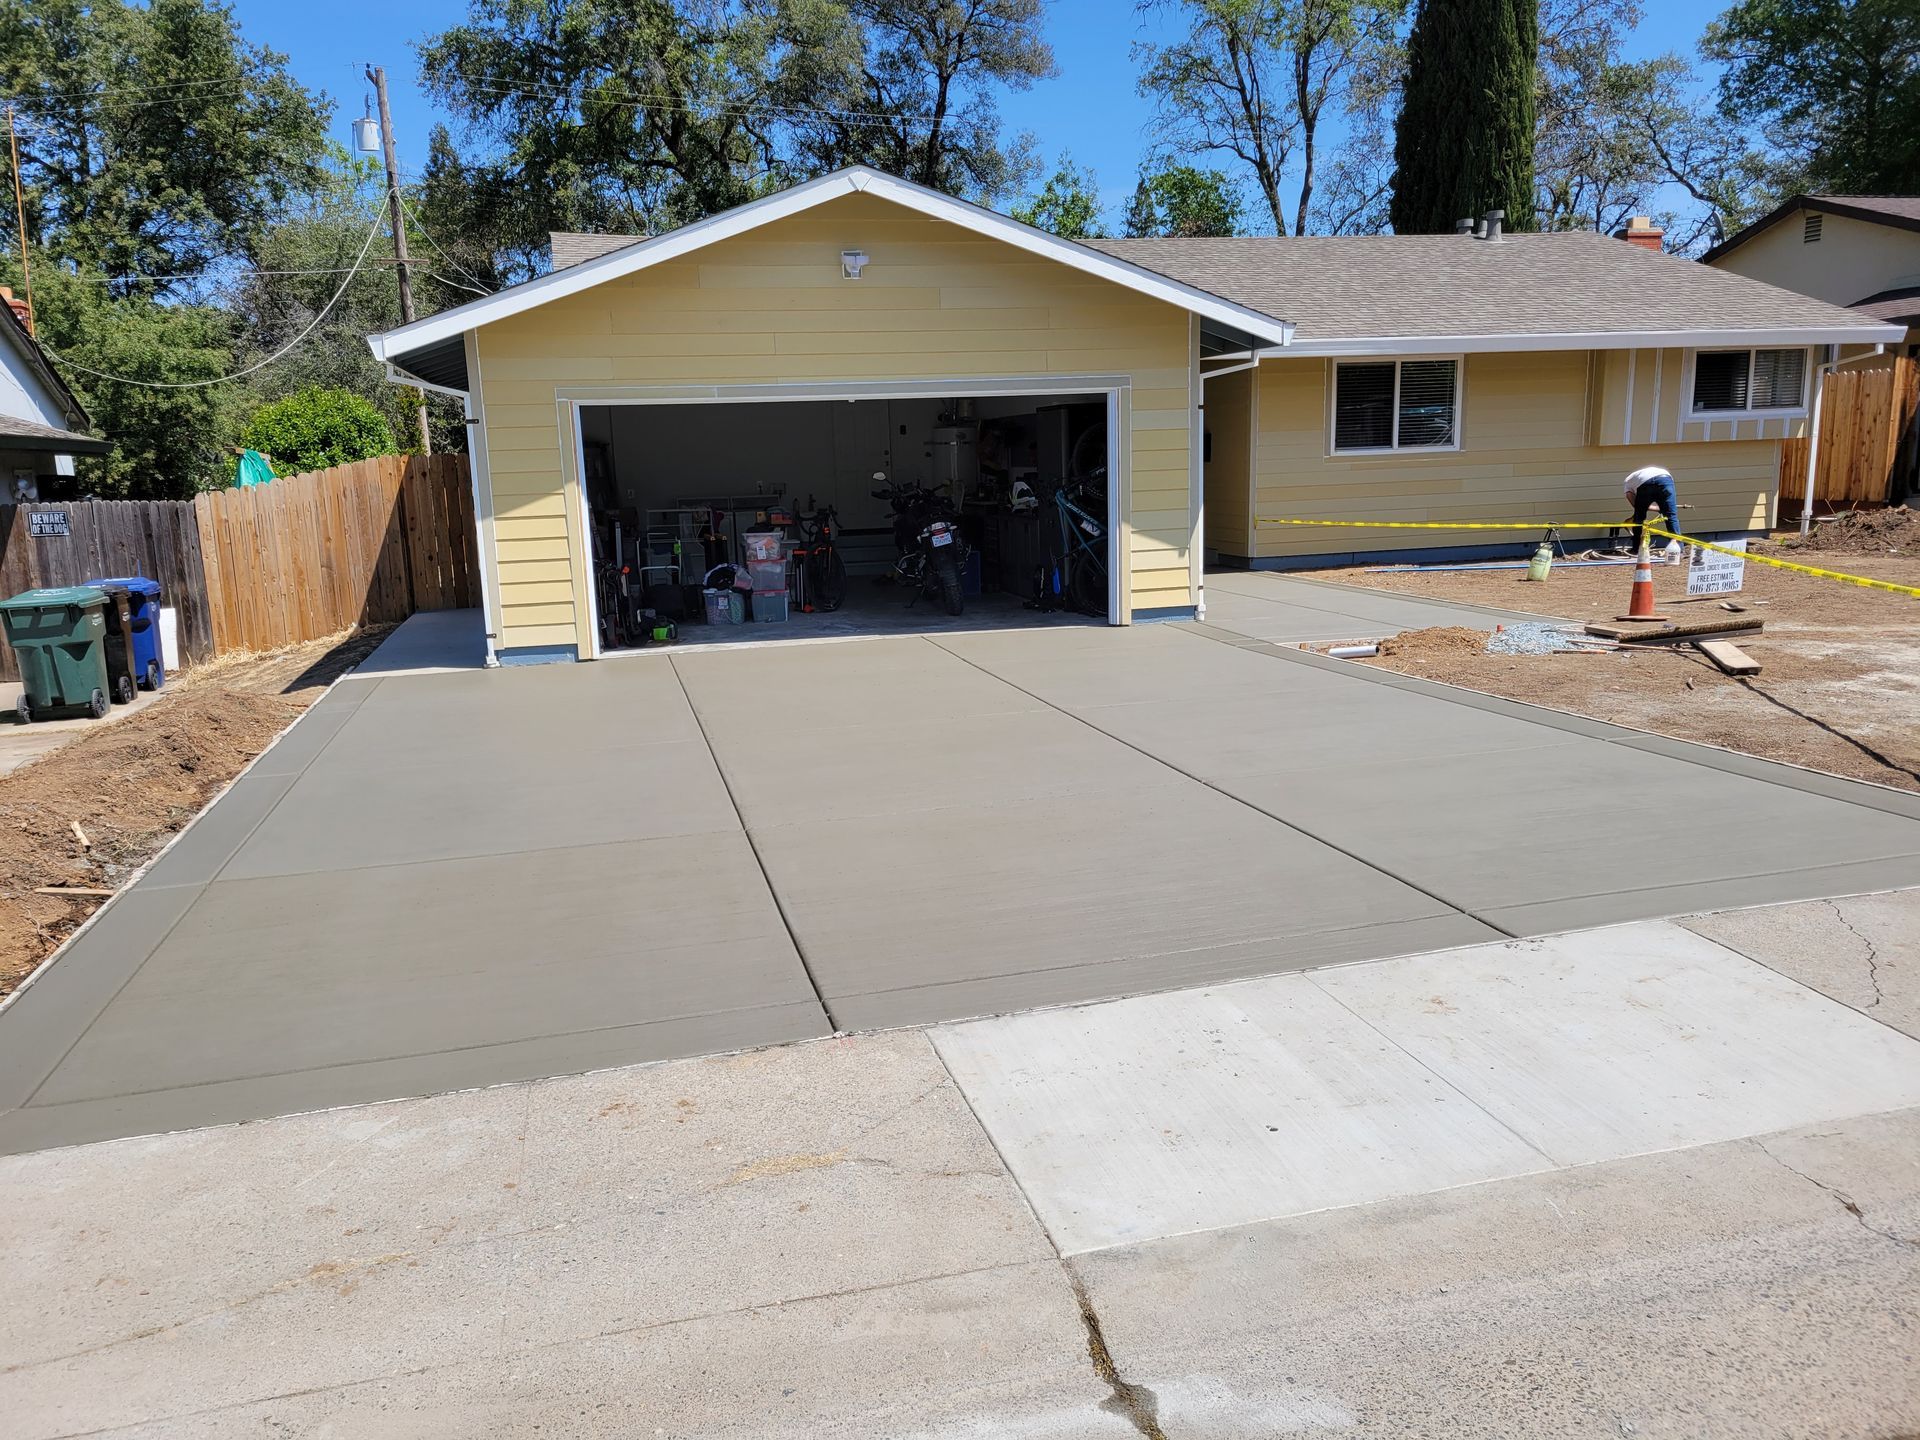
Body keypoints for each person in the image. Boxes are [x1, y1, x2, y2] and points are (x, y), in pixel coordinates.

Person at [1619, 464, 1685, 557]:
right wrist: (1660, 508)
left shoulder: (1627, 482)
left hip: (1645, 483)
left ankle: (1636, 549)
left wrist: (1643, 509)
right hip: (1665, 479)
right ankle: (1679, 550)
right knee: (1671, 516)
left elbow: (1634, 503)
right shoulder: (1637, 476)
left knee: (1639, 518)